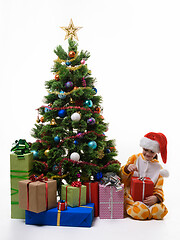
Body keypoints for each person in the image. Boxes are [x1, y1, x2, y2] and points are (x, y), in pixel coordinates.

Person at [120, 132, 168, 220]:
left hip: (149, 200)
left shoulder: (158, 168)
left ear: (156, 152)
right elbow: (122, 179)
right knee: (141, 211)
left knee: (160, 211)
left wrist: (156, 198)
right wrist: (127, 169)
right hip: (132, 198)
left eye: (152, 152)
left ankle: (149, 211)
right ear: (142, 147)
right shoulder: (134, 158)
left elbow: (158, 188)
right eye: (145, 150)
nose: (148, 154)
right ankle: (143, 211)